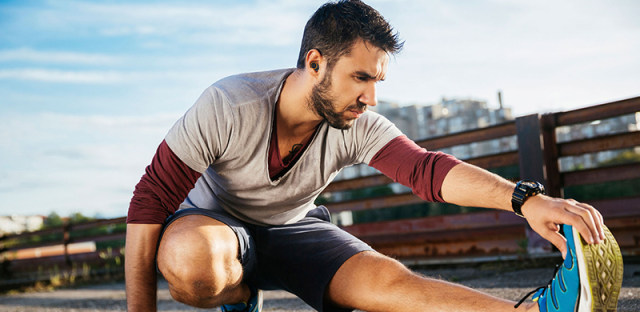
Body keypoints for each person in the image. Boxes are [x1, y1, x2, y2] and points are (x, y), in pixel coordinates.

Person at [125, 1, 624, 311]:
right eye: (360, 78)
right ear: (314, 63)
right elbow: (149, 202)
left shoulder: (353, 121)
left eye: (377, 81)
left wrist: (525, 200)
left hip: (294, 228)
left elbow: (425, 170)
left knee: (386, 280)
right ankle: (240, 296)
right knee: (190, 262)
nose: (371, 98)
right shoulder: (230, 103)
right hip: (213, 227)